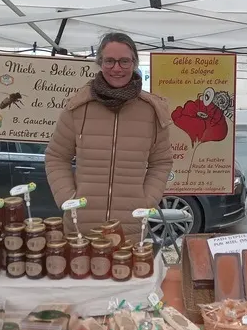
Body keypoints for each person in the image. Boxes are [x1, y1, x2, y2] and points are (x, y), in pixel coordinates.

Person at [45, 32, 173, 237]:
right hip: (80, 228)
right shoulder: (78, 107)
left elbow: (162, 162)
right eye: (110, 61)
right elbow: (56, 157)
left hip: (130, 229)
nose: (117, 68)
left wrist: (146, 200)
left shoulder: (152, 110)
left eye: (124, 61)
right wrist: (67, 199)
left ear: (134, 63)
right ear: (100, 62)